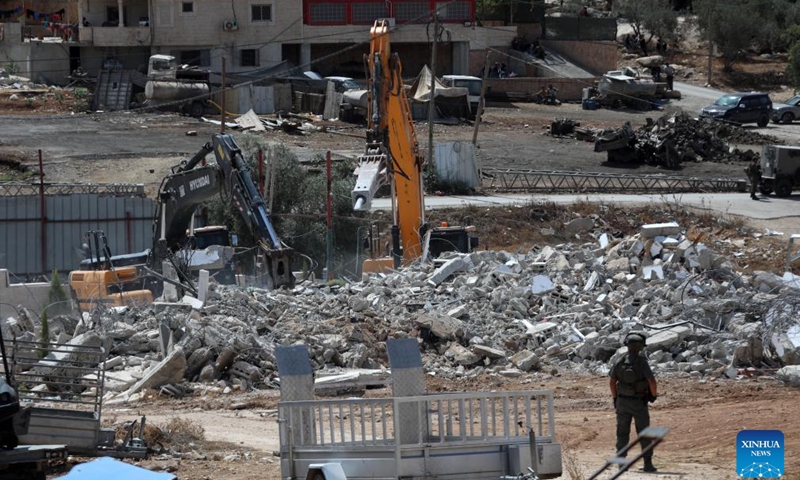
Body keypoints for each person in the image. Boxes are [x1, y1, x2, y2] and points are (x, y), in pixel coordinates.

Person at [610, 332, 658, 473]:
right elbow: (652, 382)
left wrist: (615, 398)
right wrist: (653, 396)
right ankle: (648, 464)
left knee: (622, 433)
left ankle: (621, 464)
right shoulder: (642, 362)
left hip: (622, 402)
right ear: (641, 347)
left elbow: (612, 382)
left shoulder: (620, 361)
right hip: (639, 403)